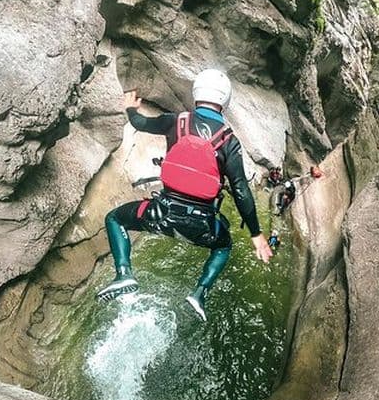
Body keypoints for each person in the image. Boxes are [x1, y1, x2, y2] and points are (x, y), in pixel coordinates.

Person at [96, 69, 272, 321]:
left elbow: (140, 123)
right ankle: (199, 293)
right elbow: (241, 190)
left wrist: (131, 108)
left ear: (197, 93)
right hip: (202, 226)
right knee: (223, 246)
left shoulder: (176, 121)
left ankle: (124, 274)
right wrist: (256, 234)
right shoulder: (228, 140)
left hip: (160, 214)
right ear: (225, 101)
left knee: (115, 218)